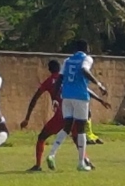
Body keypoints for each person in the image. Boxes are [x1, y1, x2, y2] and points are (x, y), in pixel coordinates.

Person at [20, 60, 109, 172]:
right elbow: (85, 89)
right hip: (74, 112)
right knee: (78, 137)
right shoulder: (67, 78)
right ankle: (85, 160)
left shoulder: (48, 81)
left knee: (42, 137)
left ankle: (39, 164)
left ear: (49, 69)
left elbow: (35, 98)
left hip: (60, 115)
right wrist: (100, 100)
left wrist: (27, 117)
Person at [46, 40, 108, 172]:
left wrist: (55, 97)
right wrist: (99, 84)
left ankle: (52, 154)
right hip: (80, 96)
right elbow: (84, 70)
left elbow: (60, 79)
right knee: (81, 129)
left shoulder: (67, 60)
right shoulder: (87, 59)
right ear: (86, 48)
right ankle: (81, 163)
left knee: (67, 127)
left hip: (66, 96)